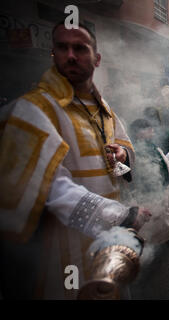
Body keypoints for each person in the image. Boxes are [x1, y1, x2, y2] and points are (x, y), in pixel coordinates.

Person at [0, 22, 153, 299]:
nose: (71, 55)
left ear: (96, 58)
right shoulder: (35, 109)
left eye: (80, 48)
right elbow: (48, 186)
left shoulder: (104, 109)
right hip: (63, 246)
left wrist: (122, 156)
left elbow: (126, 149)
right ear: (53, 54)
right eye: (62, 47)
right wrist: (120, 215)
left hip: (110, 244)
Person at [128, 110, 169, 245]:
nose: (152, 130)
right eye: (147, 129)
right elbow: (148, 171)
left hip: (154, 189)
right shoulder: (140, 150)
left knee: (154, 216)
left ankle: (148, 238)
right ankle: (168, 234)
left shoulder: (146, 145)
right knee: (160, 214)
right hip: (154, 190)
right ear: (138, 133)